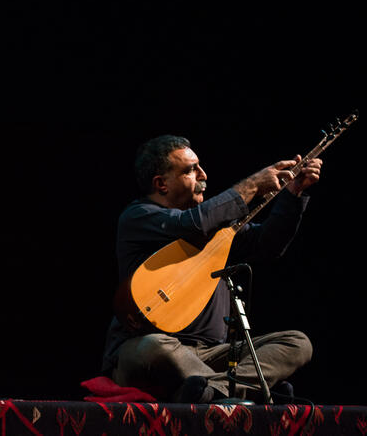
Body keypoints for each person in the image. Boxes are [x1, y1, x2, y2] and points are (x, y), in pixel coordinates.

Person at [101, 135, 321, 403]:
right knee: (153, 347)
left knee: (297, 343)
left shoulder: (216, 230)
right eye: (191, 169)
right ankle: (251, 389)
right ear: (161, 184)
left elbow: (268, 244)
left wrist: (292, 194)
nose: (203, 175)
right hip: (151, 347)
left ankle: (216, 390)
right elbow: (191, 223)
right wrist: (253, 185)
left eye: (200, 166)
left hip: (214, 354)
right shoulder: (139, 217)